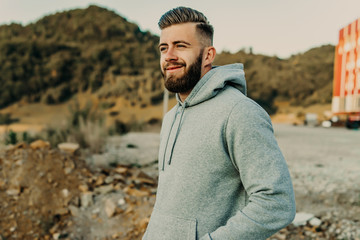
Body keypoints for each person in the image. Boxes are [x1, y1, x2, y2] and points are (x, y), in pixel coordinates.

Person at [143, 6, 296, 240]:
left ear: (208, 55)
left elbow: (277, 202)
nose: (169, 55)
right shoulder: (170, 117)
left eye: (181, 46)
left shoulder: (239, 113)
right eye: (164, 48)